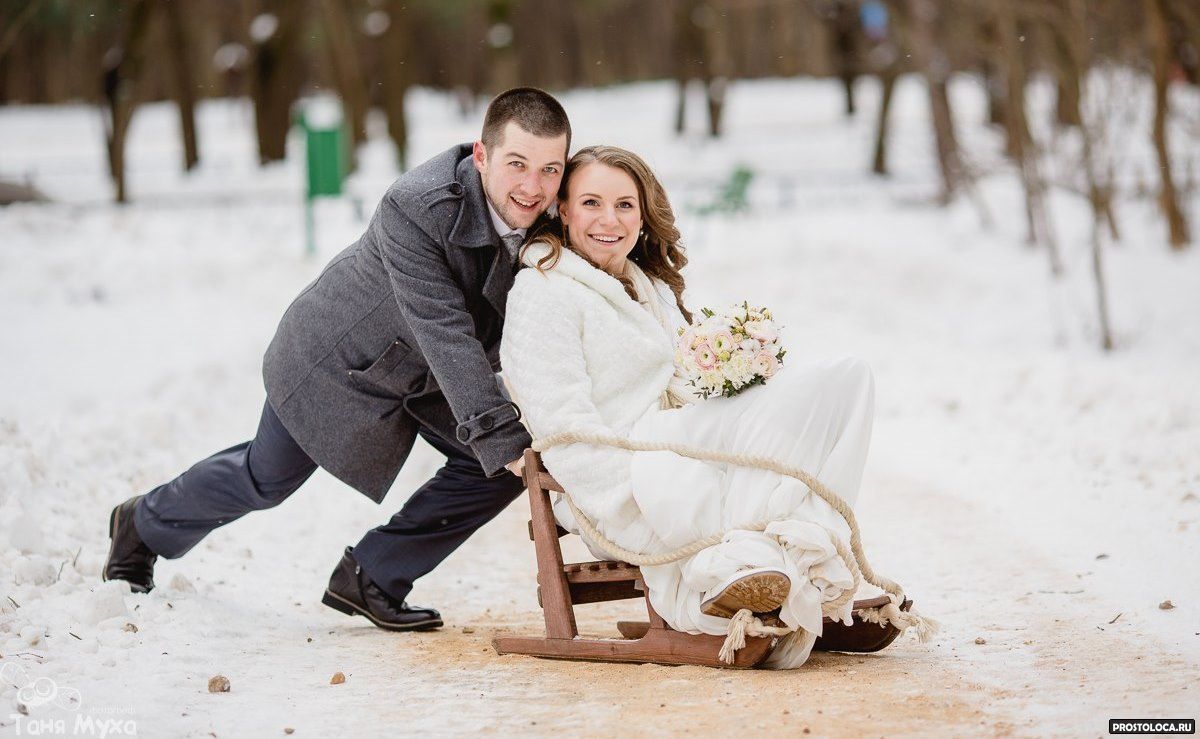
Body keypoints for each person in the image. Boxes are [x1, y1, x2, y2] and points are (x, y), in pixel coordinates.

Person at [104, 88, 571, 631]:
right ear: (482, 155)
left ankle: (371, 575)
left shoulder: (553, 208)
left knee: (494, 468)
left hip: (422, 373)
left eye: (550, 169)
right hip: (339, 356)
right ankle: (142, 523)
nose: (533, 187)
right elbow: (445, 332)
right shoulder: (417, 207)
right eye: (517, 164)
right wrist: (501, 435)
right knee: (266, 477)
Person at [499, 145, 877, 668]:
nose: (610, 220)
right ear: (562, 210)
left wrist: (737, 372)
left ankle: (806, 559)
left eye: (625, 205)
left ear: (642, 213)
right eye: (591, 203)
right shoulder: (542, 292)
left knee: (845, 381)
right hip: (621, 474)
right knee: (688, 467)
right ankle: (738, 578)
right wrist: (628, 497)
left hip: (683, 437)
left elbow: (691, 385)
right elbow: (562, 428)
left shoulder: (647, 285)